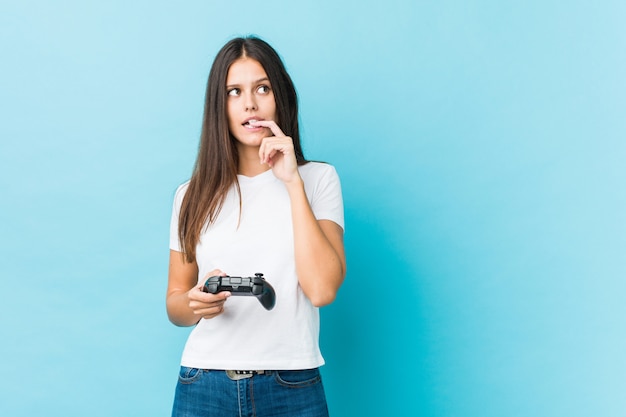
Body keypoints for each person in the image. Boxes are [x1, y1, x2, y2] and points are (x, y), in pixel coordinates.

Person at [166, 36, 346, 417]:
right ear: (219, 105)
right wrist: (195, 303)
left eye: (262, 88)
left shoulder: (317, 180)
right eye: (234, 92)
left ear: (278, 96)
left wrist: (291, 182)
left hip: (292, 383)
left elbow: (322, 289)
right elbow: (175, 303)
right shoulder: (190, 194)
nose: (249, 103)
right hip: (204, 384)